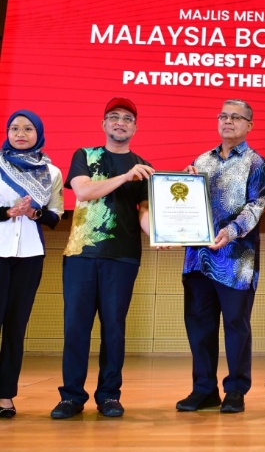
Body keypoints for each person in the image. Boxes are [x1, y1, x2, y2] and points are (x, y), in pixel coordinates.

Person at [53, 98, 153, 420]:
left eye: (127, 118)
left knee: (114, 328)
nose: (120, 122)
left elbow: (145, 216)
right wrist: (125, 177)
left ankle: (109, 395)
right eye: (113, 117)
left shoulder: (144, 167)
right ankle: (71, 397)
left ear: (135, 127)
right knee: (76, 328)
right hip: (82, 255)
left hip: (123, 258)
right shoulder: (85, 155)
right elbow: (82, 192)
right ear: (104, 124)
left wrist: (165, 235)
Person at [175, 100, 265, 415]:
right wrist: (182, 185)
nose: (228, 121)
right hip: (198, 259)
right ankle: (204, 390)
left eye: (236, 117)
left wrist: (230, 232)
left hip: (236, 260)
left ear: (249, 125)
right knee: (199, 325)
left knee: (235, 325)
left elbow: (256, 206)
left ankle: (235, 391)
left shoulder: (256, 163)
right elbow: (187, 204)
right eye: (223, 116)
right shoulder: (201, 161)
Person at [0, 110, 65, 418]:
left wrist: (33, 214)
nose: (21, 133)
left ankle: (5, 396)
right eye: (15, 128)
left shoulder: (51, 172)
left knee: (15, 328)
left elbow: (55, 216)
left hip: (29, 256)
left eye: (28, 129)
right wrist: (7, 213)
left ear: (38, 133)